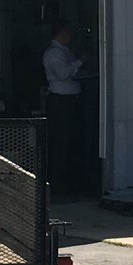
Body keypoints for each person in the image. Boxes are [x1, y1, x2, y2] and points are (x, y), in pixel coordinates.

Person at [42, 21, 83, 187]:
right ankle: (57, 180)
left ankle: (68, 177)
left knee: (71, 139)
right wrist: (80, 61)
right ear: (61, 33)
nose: (70, 36)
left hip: (70, 99)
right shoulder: (53, 54)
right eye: (68, 32)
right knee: (61, 140)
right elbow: (63, 73)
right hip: (61, 100)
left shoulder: (65, 51)